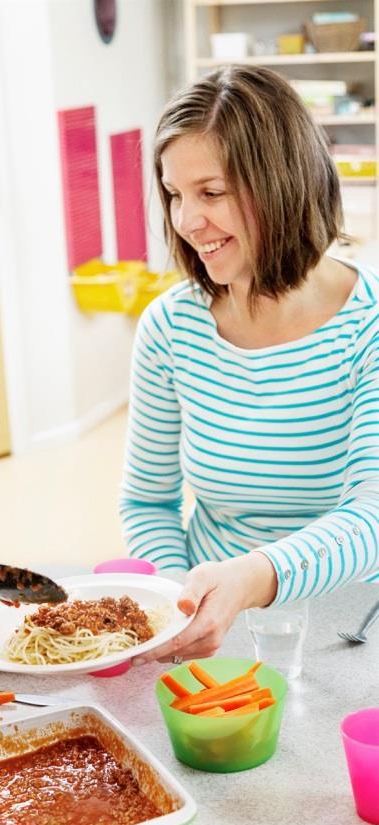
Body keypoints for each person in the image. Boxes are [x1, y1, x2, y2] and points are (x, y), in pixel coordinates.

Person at [120, 65, 379, 665]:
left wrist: (251, 580)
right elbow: (148, 502)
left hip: (348, 632)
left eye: (211, 193)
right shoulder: (171, 327)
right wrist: (178, 606)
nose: (187, 221)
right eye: (176, 194)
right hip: (208, 627)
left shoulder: (368, 325)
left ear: (282, 185)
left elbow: (372, 514)